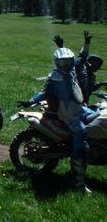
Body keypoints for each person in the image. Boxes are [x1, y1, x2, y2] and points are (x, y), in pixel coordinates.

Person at [18, 47, 90, 192]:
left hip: (78, 108)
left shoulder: (71, 71)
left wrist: (85, 44)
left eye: (68, 61)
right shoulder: (55, 77)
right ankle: (78, 181)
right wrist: (31, 101)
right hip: (68, 113)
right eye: (62, 62)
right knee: (81, 137)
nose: (66, 65)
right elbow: (45, 93)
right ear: (57, 63)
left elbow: (81, 59)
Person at [53, 31, 104, 104]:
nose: (95, 68)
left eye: (97, 66)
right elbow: (73, 58)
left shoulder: (91, 76)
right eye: (95, 65)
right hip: (72, 101)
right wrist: (62, 47)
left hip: (82, 102)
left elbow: (90, 88)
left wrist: (101, 84)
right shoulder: (79, 67)